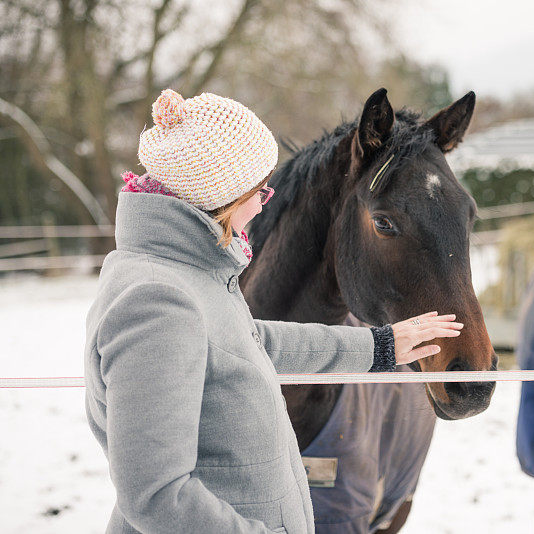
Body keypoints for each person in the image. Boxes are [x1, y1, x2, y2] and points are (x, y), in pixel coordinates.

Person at [83, 89, 463, 533]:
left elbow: (251, 343)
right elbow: (156, 496)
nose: (266, 200)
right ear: (218, 195)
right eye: (257, 188)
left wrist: (382, 345)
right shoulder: (156, 302)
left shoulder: (186, 273)